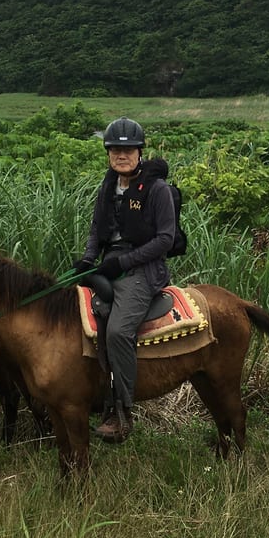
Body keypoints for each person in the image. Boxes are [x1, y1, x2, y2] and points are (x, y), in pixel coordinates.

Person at [74, 117, 176, 443]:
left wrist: (124, 262)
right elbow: (96, 230)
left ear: (139, 152)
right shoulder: (108, 186)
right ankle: (91, 394)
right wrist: (89, 259)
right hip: (110, 264)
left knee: (118, 330)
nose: (121, 155)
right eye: (115, 150)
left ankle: (122, 410)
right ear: (108, 153)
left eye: (128, 150)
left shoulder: (156, 190)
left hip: (142, 270)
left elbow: (165, 239)